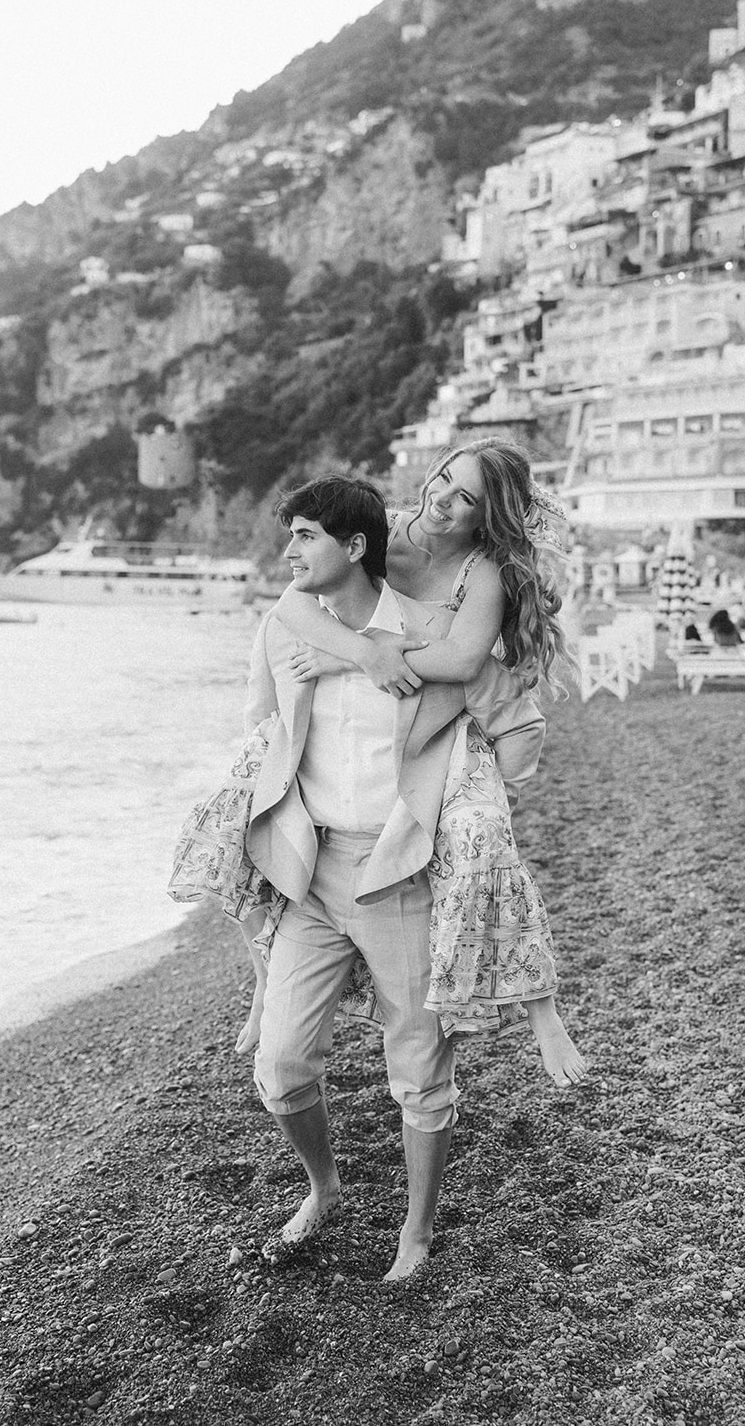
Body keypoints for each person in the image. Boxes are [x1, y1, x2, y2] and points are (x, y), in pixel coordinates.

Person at [235, 476, 547, 1279]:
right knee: (281, 1066)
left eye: (304, 536)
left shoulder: (426, 636)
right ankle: (324, 1186)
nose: (290, 553)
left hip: (398, 873)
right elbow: (262, 724)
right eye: (290, 536)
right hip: (310, 871)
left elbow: (517, 728)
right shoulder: (287, 625)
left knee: (418, 1068)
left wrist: (475, 789)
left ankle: (414, 1232)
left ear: (354, 546)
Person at [267, 438, 586, 1086]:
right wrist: (362, 655)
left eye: (463, 496)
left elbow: (464, 663)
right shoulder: (384, 532)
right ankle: (264, 998)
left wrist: (358, 657)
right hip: (398, 712)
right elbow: (295, 601)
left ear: (484, 514)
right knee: (250, 803)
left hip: (471, 722)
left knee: (479, 837)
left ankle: (542, 1011)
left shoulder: (482, 573)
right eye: (443, 478)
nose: (440, 498)